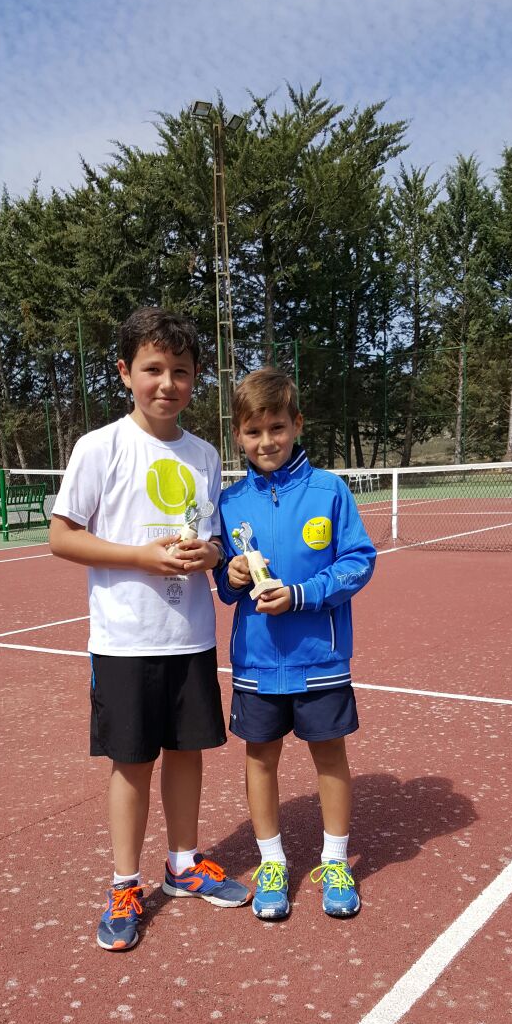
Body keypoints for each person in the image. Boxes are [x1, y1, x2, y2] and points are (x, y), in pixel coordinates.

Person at [49, 307, 249, 952]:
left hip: (190, 635)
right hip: (125, 639)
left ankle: (183, 865)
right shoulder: (100, 447)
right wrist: (140, 557)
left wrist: (210, 554)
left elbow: (212, 540)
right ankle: (124, 883)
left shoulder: (205, 455)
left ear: (196, 378)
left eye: (181, 371)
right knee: (132, 761)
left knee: (187, 752)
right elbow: (62, 537)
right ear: (125, 372)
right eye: (153, 369)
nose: (167, 383)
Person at [215, 367, 376, 921]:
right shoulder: (229, 502)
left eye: (277, 427)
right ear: (238, 434)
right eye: (253, 431)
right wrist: (231, 575)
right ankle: (272, 863)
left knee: (329, 755)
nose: (267, 441)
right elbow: (223, 585)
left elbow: (359, 562)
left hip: (319, 658)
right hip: (257, 662)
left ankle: (335, 860)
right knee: (260, 759)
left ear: (297, 424)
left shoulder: (330, 491)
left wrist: (303, 595)